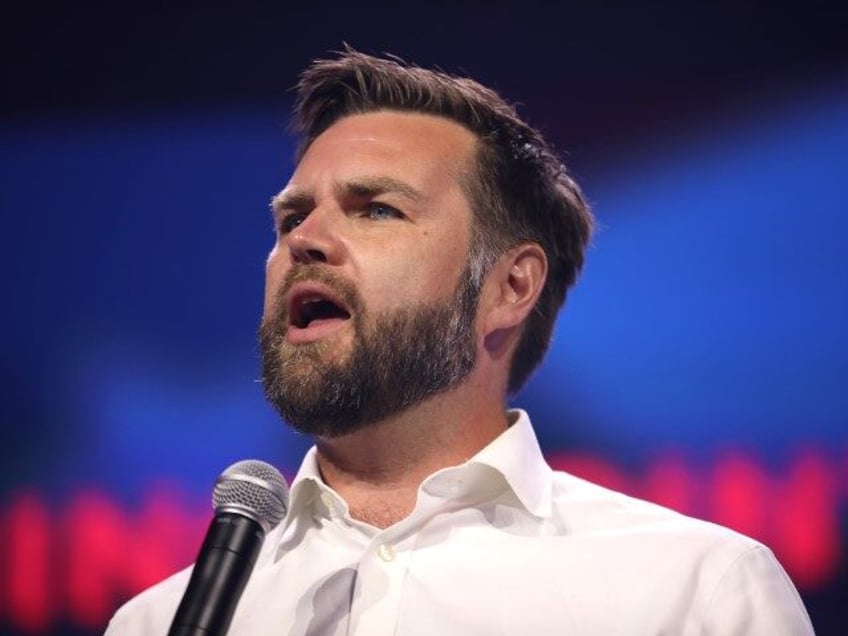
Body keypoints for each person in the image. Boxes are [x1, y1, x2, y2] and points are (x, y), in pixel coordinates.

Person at [106, 48, 814, 635]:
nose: (306, 242)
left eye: (376, 209)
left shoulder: (695, 593)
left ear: (510, 288)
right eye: (291, 218)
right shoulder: (158, 621)